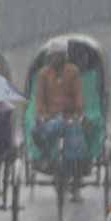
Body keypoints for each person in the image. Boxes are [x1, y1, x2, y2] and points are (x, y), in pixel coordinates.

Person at [34, 49, 87, 201]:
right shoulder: (44, 74)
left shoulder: (73, 72)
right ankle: (46, 157)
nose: (54, 59)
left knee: (76, 146)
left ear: (64, 57)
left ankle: (76, 186)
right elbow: (39, 99)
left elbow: (78, 95)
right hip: (50, 116)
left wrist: (77, 113)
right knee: (38, 131)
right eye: (52, 56)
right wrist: (42, 115)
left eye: (58, 56)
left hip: (69, 116)